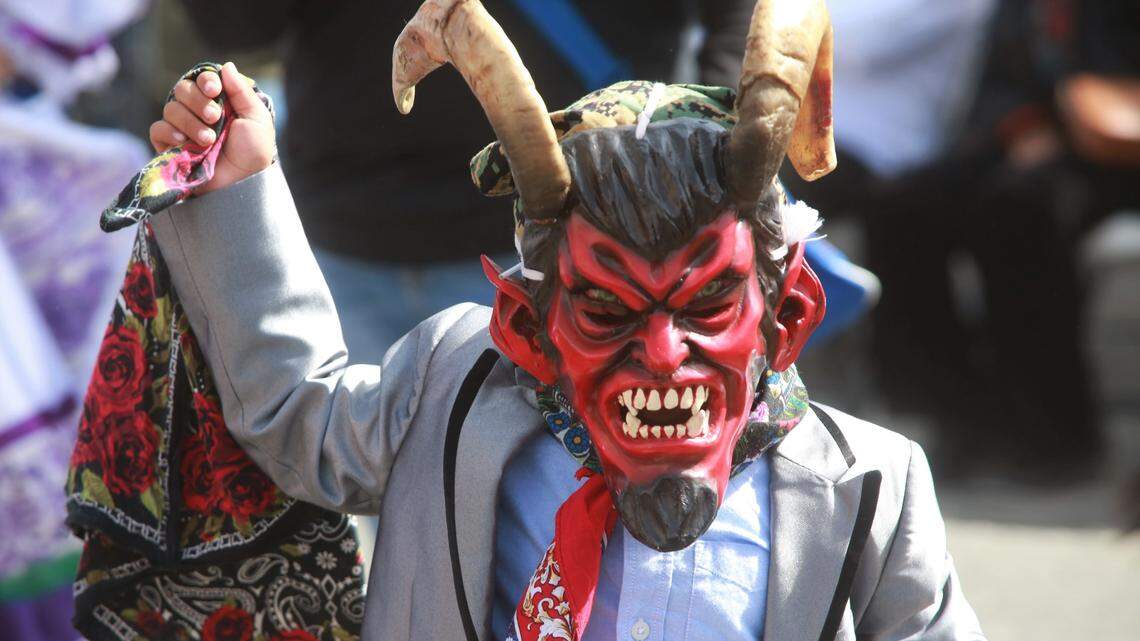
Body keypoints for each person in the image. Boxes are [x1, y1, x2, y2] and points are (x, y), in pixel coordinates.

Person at [141, 1, 985, 639]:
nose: (661, 353)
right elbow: (299, 421)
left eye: (708, 302)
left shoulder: (872, 487)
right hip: (355, 210)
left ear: (789, 311)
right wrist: (238, 191)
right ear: (522, 324)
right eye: (606, 308)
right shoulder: (454, 396)